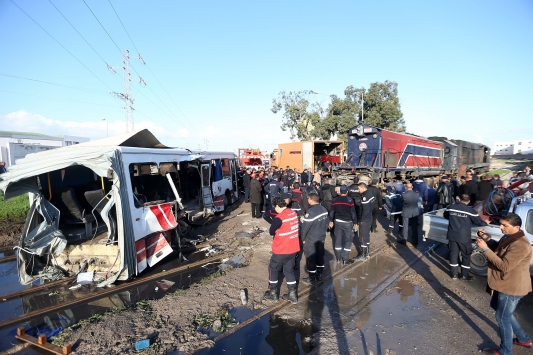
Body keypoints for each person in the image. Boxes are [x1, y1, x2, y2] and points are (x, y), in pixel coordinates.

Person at [476, 213, 532, 355]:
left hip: (511, 287)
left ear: (517, 227)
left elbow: (504, 265)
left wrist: (485, 249)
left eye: (504, 225)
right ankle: (523, 339)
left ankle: (505, 351)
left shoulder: (521, 244)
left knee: (502, 317)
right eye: (500, 224)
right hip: (504, 283)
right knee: (497, 307)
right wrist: (486, 239)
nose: (501, 227)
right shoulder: (510, 236)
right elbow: (499, 249)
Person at [263, 197, 300, 304]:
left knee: (273, 269)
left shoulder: (279, 218)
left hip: (281, 249)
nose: (275, 209)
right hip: (293, 248)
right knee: (289, 270)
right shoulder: (293, 213)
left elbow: (271, 231)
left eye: (275, 207)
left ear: (278, 206)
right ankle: (292, 295)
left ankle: (273, 293)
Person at [443, 194, 487, 280]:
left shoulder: (450, 207)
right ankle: (464, 275)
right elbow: (479, 222)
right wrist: (485, 223)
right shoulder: (470, 210)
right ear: (469, 201)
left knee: (453, 254)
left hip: (452, 235)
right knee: (466, 255)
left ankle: (454, 274)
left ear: (459, 199)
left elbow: (445, 216)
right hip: (464, 237)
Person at [300, 192, 329, 284]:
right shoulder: (323, 209)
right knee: (320, 256)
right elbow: (326, 223)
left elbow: (305, 228)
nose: (307, 200)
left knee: (310, 258)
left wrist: (302, 239)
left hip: (311, 239)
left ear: (311, 200)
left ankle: (311, 278)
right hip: (321, 237)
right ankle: (319, 275)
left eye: (308, 198)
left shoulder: (311, 212)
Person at [329, 185, 357, 264]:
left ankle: (338, 258)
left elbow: (332, 212)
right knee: (348, 240)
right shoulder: (350, 200)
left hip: (338, 222)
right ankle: (346, 259)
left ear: (340, 191)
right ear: (347, 192)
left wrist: (331, 220)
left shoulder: (335, 200)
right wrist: (355, 222)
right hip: (348, 223)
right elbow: (353, 213)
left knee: (337, 239)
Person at [355, 182, 375, 260]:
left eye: (358, 188)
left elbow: (365, 210)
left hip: (365, 219)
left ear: (363, 188)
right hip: (369, 217)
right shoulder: (370, 194)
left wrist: (362, 220)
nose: (358, 190)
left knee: (362, 237)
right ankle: (367, 253)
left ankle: (363, 255)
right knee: (366, 236)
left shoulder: (365, 196)